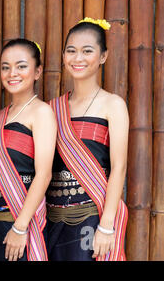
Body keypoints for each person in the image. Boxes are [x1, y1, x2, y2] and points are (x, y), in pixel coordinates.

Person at [47, 18, 129, 261]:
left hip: (92, 217)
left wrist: (106, 225)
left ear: (103, 56)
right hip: (53, 219)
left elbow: (119, 167)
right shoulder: (52, 109)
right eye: (71, 51)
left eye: (87, 51)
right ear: (63, 56)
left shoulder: (113, 105)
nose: (78, 58)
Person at [0, 39, 56, 261]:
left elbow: (44, 174)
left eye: (21, 66)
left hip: (22, 223)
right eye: (6, 67)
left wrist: (20, 227)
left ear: (38, 71)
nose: (12, 73)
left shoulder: (42, 112)